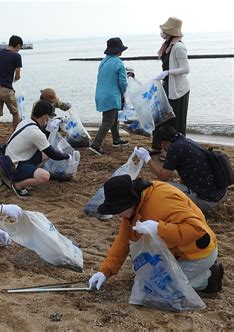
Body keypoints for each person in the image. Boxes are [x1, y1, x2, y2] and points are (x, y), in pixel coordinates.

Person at [88, 175, 223, 294]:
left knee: (159, 290)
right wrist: (104, 272)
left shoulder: (163, 200)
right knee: (146, 283)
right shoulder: (132, 209)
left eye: (118, 209)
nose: (117, 214)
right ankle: (186, 275)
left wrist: (159, 228)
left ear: (131, 202)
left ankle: (208, 278)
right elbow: (123, 241)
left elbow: (197, 230)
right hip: (174, 253)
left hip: (197, 254)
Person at [134, 125, 228, 213]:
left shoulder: (175, 148)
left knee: (159, 189)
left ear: (164, 143)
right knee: (175, 185)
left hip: (206, 200)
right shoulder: (188, 141)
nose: (163, 148)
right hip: (220, 194)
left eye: (162, 145)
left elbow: (163, 176)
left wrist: (147, 158)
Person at [5, 100, 71, 198]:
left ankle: (32, 172)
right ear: (45, 116)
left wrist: (52, 128)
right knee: (45, 177)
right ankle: (18, 185)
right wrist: (68, 156)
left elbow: (43, 138)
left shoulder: (25, 122)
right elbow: (53, 154)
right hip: (13, 167)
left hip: (8, 160)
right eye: (50, 117)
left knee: (45, 154)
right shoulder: (36, 133)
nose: (49, 119)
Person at [150, 17, 190, 158]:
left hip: (178, 90)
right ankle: (157, 146)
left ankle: (177, 151)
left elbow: (186, 69)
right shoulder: (168, 45)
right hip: (167, 87)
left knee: (176, 121)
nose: (162, 32)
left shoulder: (178, 47)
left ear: (171, 31)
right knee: (161, 117)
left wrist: (167, 73)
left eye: (165, 30)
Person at [89, 37, 129, 155]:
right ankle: (96, 144)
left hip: (101, 94)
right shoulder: (119, 63)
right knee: (108, 121)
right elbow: (123, 82)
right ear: (118, 50)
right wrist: (126, 93)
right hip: (111, 96)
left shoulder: (104, 61)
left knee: (114, 118)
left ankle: (116, 139)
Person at [0, 35, 23, 153]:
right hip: (7, 90)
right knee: (16, 114)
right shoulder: (17, 56)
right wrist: (13, 81)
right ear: (17, 45)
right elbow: (17, 76)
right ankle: (14, 139)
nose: (19, 50)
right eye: (19, 48)